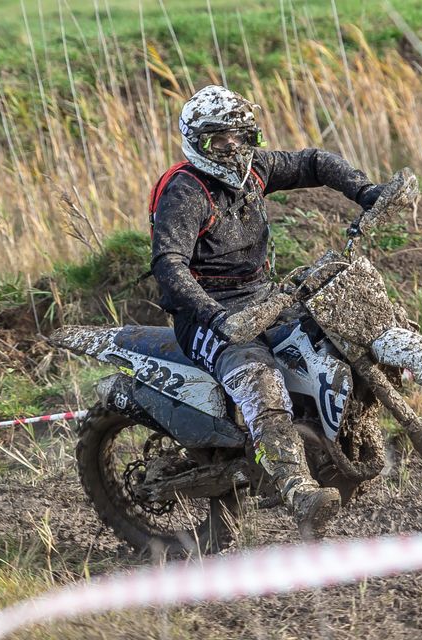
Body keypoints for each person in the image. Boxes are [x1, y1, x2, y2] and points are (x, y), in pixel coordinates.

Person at [149, 85, 387, 537]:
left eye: (241, 135)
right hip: (206, 315)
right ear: (197, 142)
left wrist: (365, 191)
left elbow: (313, 162)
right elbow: (168, 264)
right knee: (262, 379)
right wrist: (214, 316)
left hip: (263, 297)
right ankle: (298, 491)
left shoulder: (255, 169)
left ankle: (335, 438)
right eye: (220, 139)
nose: (232, 146)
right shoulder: (185, 191)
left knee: (335, 336)